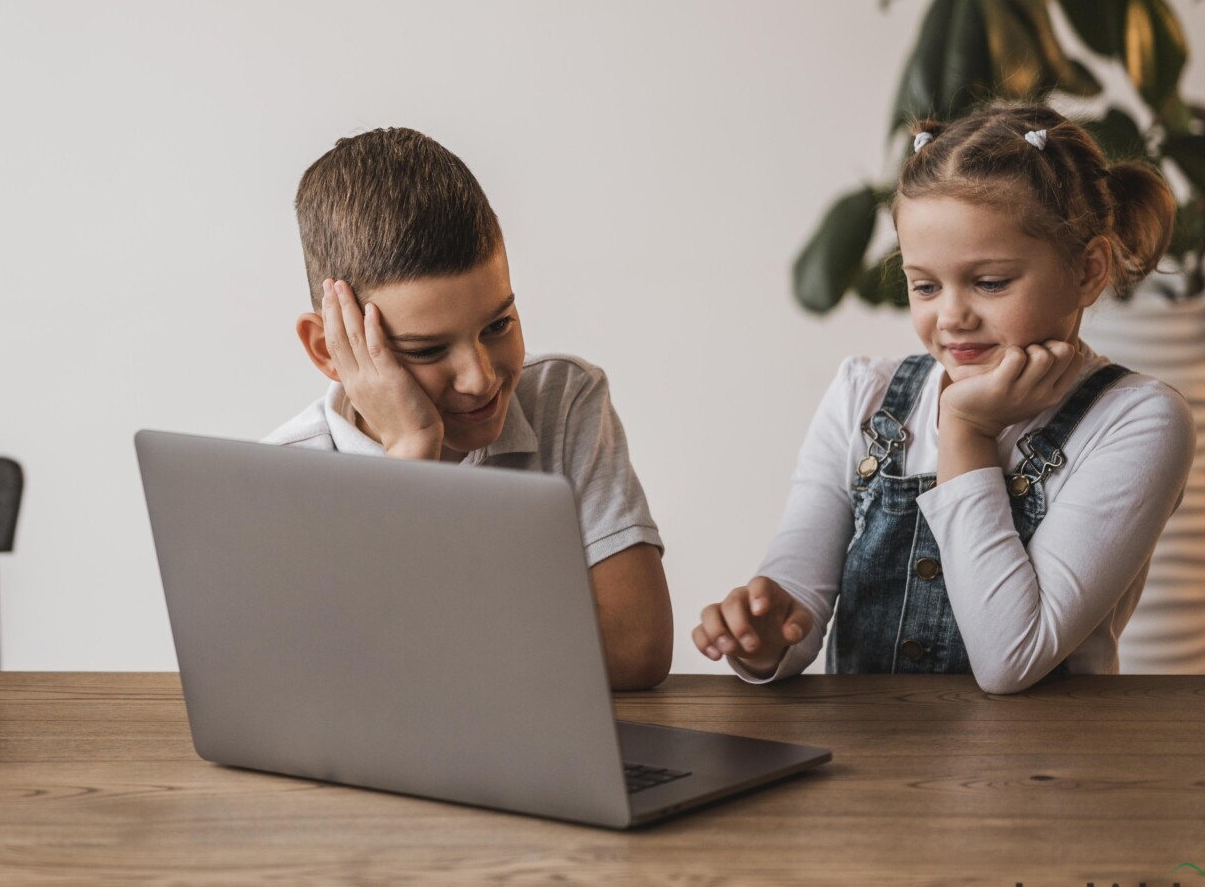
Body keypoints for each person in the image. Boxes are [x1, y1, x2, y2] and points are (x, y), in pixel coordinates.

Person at [696, 104, 1194, 693]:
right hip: (873, 770)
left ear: (1087, 271)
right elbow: (799, 598)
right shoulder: (863, 395)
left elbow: (1012, 656)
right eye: (925, 285)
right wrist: (764, 635)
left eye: (989, 283)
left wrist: (965, 431)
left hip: (1046, 771)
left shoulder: (1136, 420)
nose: (952, 316)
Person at [265, 127, 673, 689]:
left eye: (498, 325)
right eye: (427, 350)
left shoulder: (562, 402)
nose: (481, 377)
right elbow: (340, 683)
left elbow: (639, 648)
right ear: (327, 348)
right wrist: (412, 455)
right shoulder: (278, 477)